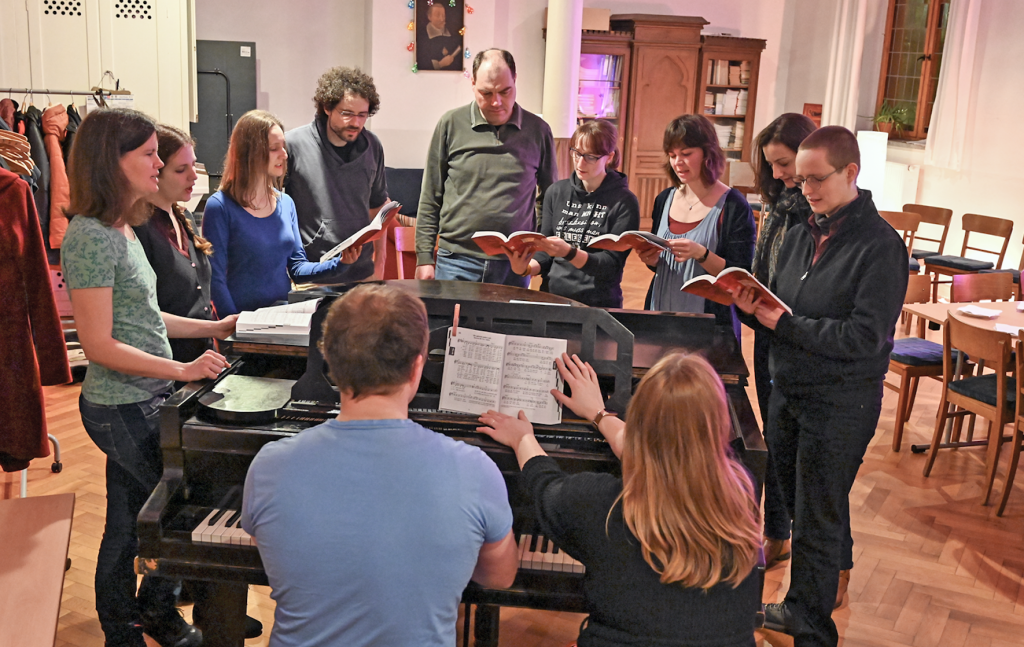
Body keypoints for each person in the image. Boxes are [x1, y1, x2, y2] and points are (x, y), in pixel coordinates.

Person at [242, 283, 518, 647]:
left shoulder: (269, 467)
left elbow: (291, 557)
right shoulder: (474, 470)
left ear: (330, 363)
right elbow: (498, 577)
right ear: (417, 366)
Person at [61, 108, 237, 647]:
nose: (158, 163)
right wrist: (182, 367)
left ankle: (133, 622)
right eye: (147, 154)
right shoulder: (91, 236)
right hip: (119, 406)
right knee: (174, 512)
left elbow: (144, 317)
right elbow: (99, 345)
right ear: (111, 163)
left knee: (126, 521)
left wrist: (215, 325)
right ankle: (140, 620)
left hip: (145, 396)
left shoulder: (124, 226)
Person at [732, 126, 908, 647]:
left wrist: (782, 325)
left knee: (820, 515)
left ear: (851, 173)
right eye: (800, 178)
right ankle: (798, 608)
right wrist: (754, 306)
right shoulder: (803, 229)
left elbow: (863, 336)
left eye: (815, 179)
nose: (803, 188)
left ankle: (813, 628)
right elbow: (781, 299)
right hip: (790, 388)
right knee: (797, 501)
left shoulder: (880, 246)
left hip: (841, 399)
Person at [477, 352, 761, 647]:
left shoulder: (603, 506)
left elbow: (545, 486)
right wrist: (599, 414)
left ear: (638, 421)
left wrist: (523, 438)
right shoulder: (740, 490)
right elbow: (675, 451)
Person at [133, 123, 263, 639]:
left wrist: (215, 335)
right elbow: (148, 314)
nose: (193, 178)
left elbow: (198, 289)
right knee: (176, 496)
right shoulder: (140, 228)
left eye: (194, 167)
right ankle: (156, 604)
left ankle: (210, 594)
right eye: (182, 169)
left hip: (196, 362)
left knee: (202, 483)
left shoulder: (178, 216)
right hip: (166, 368)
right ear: (155, 170)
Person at [415, 49, 557, 286]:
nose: (496, 102)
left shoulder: (538, 130)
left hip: (514, 264)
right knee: (451, 324)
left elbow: (550, 198)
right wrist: (424, 258)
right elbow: (431, 195)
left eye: (505, 91)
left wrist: (536, 249)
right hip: (456, 259)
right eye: (486, 92)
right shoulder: (450, 124)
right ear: (472, 84)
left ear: (515, 81)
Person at [748, 113, 819, 580]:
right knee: (771, 434)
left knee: (788, 440)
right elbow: (762, 263)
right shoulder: (775, 203)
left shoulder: (815, 209)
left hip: (795, 334)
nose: (776, 174)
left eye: (783, 162)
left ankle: (782, 532)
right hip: (765, 327)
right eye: (770, 165)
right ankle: (775, 528)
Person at [203, 110, 356, 316]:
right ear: (250, 153)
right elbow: (215, 280)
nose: (283, 155)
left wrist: (341, 263)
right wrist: (233, 326)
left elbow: (298, 269)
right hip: (240, 321)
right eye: (274, 148)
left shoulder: (285, 203)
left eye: (283, 147)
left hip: (281, 317)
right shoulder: (220, 206)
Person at [639, 114, 755, 339]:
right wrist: (651, 260)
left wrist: (701, 254)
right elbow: (661, 265)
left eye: (686, 154)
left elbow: (740, 275)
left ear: (707, 153)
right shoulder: (664, 199)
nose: (677, 162)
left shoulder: (733, 205)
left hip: (709, 323)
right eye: (672, 155)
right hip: (661, 310)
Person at [505, 119, 639, 307]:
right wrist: (526, 268)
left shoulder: (624, 202)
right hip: (553, 298)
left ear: (609, 157)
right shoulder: (557, 192)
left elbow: (610, 266)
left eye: (590, 156)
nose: (580, 162)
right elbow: (546, 253)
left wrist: (569, 252)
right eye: (576, 153)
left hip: (598, 303)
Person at [285, 67, 392, 283]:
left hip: (362, 275)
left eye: (362, 115)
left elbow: (378, 207)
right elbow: (275, 212)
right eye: (347, 113)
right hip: (313, 275)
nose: (356, 123)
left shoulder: (373, 146)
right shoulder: (292, 145)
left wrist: (379, 263)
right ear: (327, 107)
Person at [419, 3, 463, 71]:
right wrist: (440, 64)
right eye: (437, 15)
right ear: (429, 17)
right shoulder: (422, 36)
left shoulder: (453, 35)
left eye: (443, 15)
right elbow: (421, 62)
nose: (441, 19)